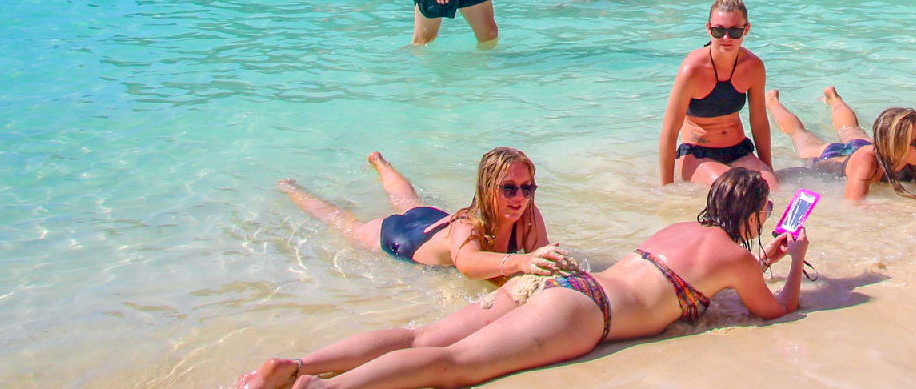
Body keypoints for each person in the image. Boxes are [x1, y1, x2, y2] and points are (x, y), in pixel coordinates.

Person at [234, 168, 808, 389]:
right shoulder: (733, 257)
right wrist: (797, 262)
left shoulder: (681, 231)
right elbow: (773, 311)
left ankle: (302, 365)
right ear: (755, 215)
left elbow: (711, 276)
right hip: (586, 313)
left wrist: (769, 260)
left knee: (423, 338)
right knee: (451, 369)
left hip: (556, 282)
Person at [275, 149, 565, 282]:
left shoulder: (528, 213)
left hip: (432, 220)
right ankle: (291, 190)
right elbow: (468, 264)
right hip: (404, 239)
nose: (520, 197)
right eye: (509, 188)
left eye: (527, 188)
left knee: (409, 202)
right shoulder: (468, 225)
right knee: (341, 221)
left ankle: (379, 162)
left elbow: (541, 252)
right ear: (487, 188)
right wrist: (521, 262)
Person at [659, 0, 776, 189]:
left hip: (738, 150)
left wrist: (768, 168)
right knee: (732, 191)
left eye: (735, 31)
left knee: (772, 188)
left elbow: (759, 123)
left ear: (746, 29)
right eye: (719, 31)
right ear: (708, 29)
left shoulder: (753, 67)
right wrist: (666, 190)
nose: (726, 38)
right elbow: (669, 132)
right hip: (698, 154)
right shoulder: (692, 70)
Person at [767, 86, 916, 201]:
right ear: (896, 144)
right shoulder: (867, 162)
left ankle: (833, 98)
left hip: (862, 144)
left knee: (849, 129)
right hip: (832, 157)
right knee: (799, 134)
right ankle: (772, 102)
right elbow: (854, 205)